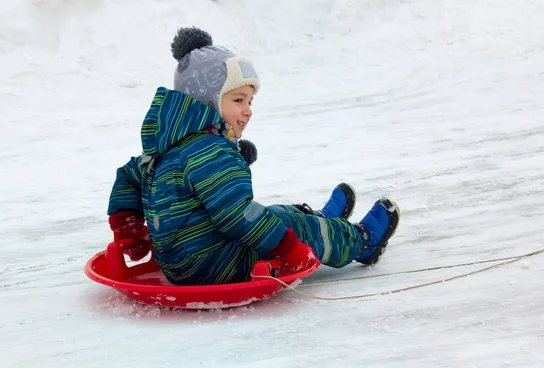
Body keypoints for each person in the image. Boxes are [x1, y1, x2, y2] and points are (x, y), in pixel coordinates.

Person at [106, 27, 400, 286]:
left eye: (249, 100)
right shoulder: (210, 150)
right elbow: (236, 215)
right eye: (237, 100)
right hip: (215, 264)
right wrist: (289, 249)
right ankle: (361, 241)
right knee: (286, 227)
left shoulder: (167, 145)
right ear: (206, 100)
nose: (248, 110)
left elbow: (127, 177)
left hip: (180, 261)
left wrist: (129, 231)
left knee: (274, 215)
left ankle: (320, 220)